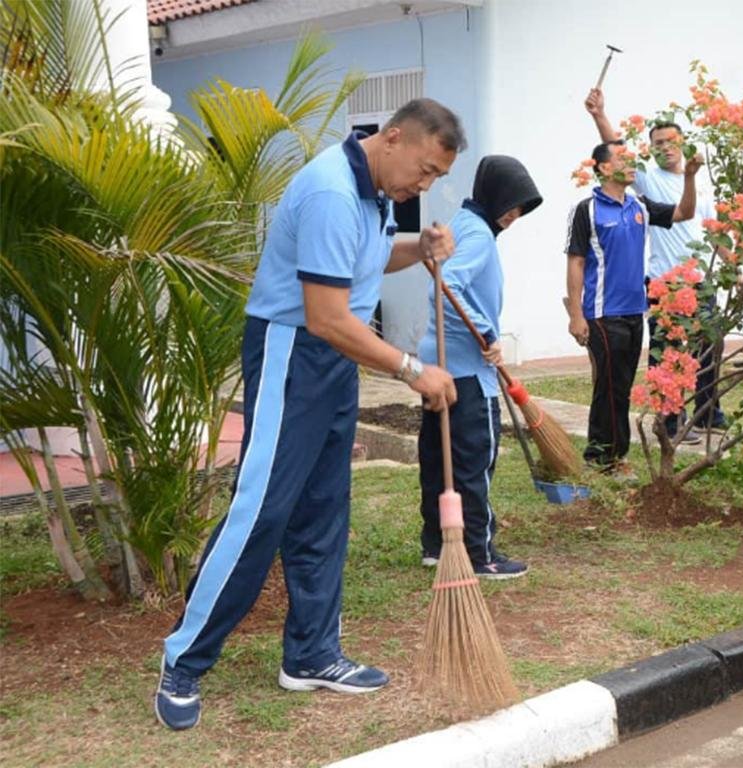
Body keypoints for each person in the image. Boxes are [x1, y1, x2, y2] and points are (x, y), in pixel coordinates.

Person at [156, 99, 464, 731]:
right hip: (292, 352)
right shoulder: (331, 190)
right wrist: (412, 369)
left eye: (436, 177)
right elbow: (325, 317)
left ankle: (312, 654)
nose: (425, 185)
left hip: (334, 359)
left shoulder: (374, 191)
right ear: (394, 138)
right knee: (262, 509)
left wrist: (419, 246)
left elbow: (364, 259)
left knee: (324, 507)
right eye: (426, 170)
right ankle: (183, 660)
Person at [416, 155, 542, 577]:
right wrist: (486, 333)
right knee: (473, 461)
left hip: (438, 365)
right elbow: (445, 286)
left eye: (521, 207)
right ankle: (478, 552)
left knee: (439, 457)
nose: (514, 214)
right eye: (511, 202)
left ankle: (437, 543)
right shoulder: (479, 235)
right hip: (466, 369)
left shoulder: (464, 223)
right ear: (493, 194)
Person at [585, 87, 726, 443]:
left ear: (682, 142)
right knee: (667, 354)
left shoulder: (700, 182)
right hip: (665, 282)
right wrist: (599, 115)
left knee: (711, 345)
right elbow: (615, 148)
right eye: (657, 142)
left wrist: (732, 264)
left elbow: (713, 228)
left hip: (701, 280)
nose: (664, 147)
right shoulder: (647, 177)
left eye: (670, 140)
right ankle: (669, 422)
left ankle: (708, 413)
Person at [565, 139, 701, 472]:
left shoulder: (639, 205)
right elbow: (576, 262)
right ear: (604, 168)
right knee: (609, 387)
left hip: (634, 311)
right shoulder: (587, 210)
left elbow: (684, 213)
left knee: (621, 386)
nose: (632, 164)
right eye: (622, 159)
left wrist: (689, 177)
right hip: (602, 313)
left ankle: (611, 455)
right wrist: (576, 315)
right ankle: (603, 457)